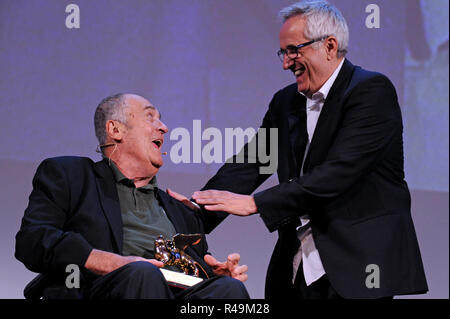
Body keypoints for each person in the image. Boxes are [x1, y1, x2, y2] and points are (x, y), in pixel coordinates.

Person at [170, 0, 428, 299]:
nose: (285, 63)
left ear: (330, 46)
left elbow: (339, 172)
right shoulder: (286, 101)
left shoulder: (371, 91)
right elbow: (253, 162)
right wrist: (195, 214)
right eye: (283, 52)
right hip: (294, 265)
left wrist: (256, 204)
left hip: (360, 264)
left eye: (294, 50)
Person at [15, 93, 249, 299]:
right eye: (150, 117)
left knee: (229, 290)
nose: (164, 127)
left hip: (173, 293)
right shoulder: (71, 176)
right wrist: (110, 262)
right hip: (98, 289)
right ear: (115, 130)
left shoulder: (180, 209)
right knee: (143, 274)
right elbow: (33, 240)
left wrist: (209, 276)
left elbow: (192, 274)